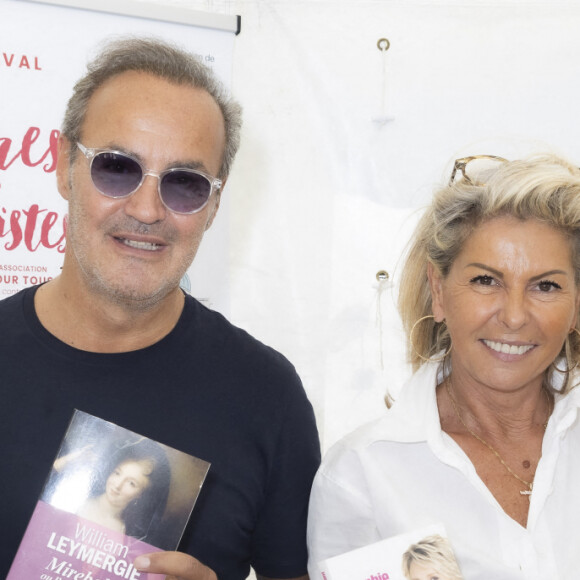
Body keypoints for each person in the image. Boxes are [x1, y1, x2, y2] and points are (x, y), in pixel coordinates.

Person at [0, 37, 320, 580]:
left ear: (215, 204)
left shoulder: (268, 398)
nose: (147, 209)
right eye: (117, 168)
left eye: (185, 184)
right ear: (62, 166)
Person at [307, 154, 580, 578]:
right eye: (486, 280)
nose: (513, 316)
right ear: (438, 291)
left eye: (546, 286)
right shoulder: (366, 474)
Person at [76, 440, 171, 540]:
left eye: (131, 483)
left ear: (140, 494)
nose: (117, 485)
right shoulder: (78, 502)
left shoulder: (128, 534)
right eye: (117, 473)